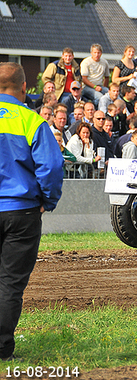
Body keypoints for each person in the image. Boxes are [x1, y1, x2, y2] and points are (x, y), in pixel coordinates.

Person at [0, 62, 64, 361]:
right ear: (24, 88)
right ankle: (2, 349)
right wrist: (47, 200)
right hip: (21, 211)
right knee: (10, 283)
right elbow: (51, 167)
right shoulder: (31, 121)